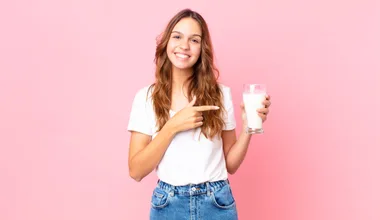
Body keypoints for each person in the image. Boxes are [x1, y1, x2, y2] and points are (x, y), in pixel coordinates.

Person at [127, 8, 271, 220]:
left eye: (194, 40)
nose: (184, 46)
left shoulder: (220, 94)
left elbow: (230, 165)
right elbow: (136, 171)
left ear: (202, 48)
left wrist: (249, 127)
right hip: (168, 205)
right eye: (177, 37)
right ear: (167, 42)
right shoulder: (145, 98)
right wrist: (173, 125)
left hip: (217, 203)